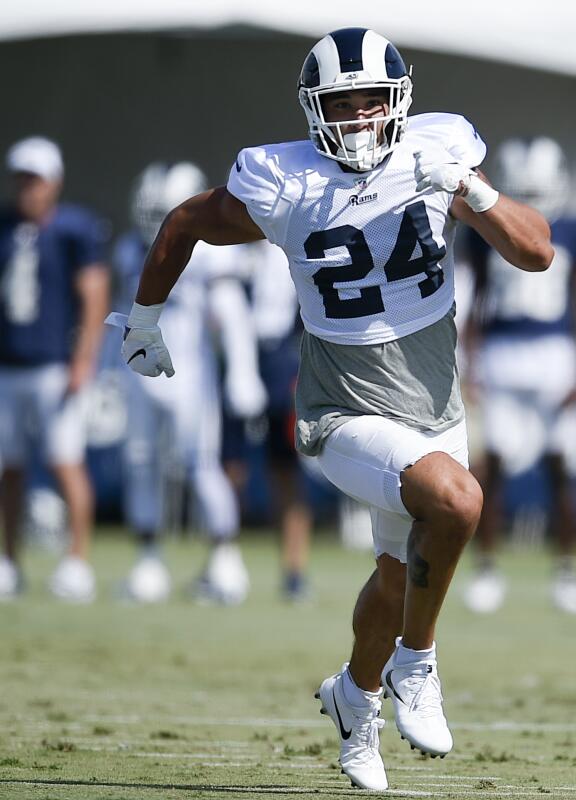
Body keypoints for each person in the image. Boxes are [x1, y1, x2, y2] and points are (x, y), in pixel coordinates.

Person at [112, 28, 553, 790]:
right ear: (314, 111)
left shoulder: (438, 149)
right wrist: (144, 318)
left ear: (399, 102)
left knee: (394, 575)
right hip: (341, 405)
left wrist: (470, 189)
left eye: (370, 102)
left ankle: (356, 697)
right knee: (457, 500)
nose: (356, 119)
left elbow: (537, 252)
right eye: (340, 105)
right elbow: (185, 222)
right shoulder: (285, 178)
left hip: (434, 395)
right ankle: (418, 663)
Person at [114, 162, 266, 605]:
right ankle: (148, 559)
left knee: (198, 462)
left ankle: (224, 558)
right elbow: (122, 312)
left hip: (189, 371)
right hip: (138, 368)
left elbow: (230, 313)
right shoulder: (128, 249)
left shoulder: (210, 250)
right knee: (140, 461)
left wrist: (242, 371)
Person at [459, 137, 576, 615]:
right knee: (489, 466)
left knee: (560, 466)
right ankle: (487, 570)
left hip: (556, 352)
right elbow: (473, 296)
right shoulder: (483, 228)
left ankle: (566, 572)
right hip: (500, 349)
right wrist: (470, 359)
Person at [0, 136, 109, 602]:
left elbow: (93, 295)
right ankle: (8, 561)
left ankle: (76, 561)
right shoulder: (5, 227)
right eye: (21, 178)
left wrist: (83, 360)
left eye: (35, 178)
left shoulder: (74, 229)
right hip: (8, 365)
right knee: (8, 468)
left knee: (66, 462)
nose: (27, 187)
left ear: (54, 182)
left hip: (54, 367)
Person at [219, 238, 317, 602]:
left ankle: (294, 569)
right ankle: (224, 559)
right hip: (236, 352)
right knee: (229, 464)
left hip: (282, 357)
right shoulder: (229, 248)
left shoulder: (291, 240)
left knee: (285, 466)